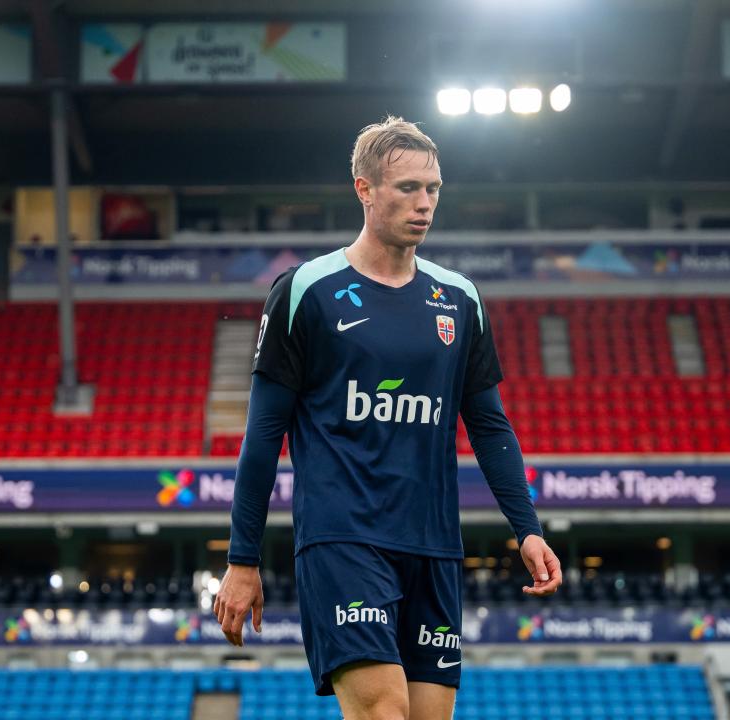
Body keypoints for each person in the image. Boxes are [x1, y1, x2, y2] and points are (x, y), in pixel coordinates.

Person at [214, 116, 562, 720]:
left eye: (433, 188)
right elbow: (264, 434)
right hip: (343, 535)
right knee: (383, 711)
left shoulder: (459, 297)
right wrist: (243, 559)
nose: (424, 203)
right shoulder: (306, 290)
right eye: (407, 188)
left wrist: (526, 527)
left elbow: (489, 425)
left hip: (433, 544)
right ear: (364, 189)